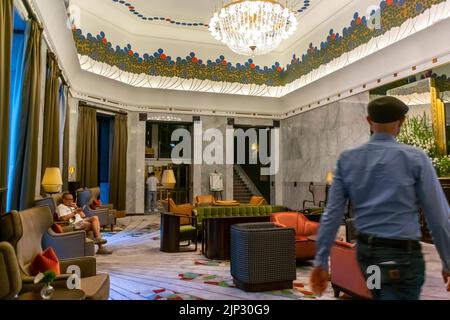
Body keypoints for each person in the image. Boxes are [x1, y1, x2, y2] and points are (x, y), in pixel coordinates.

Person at [310, 96, 450, 300]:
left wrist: (321, 261)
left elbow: (332, 215)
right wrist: (448, 262)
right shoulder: (415, 158)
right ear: (401, 122)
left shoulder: (348, 160)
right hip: (403, 259)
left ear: (369, 121)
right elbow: (438, 218)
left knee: (378, 293)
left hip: (368, 257)